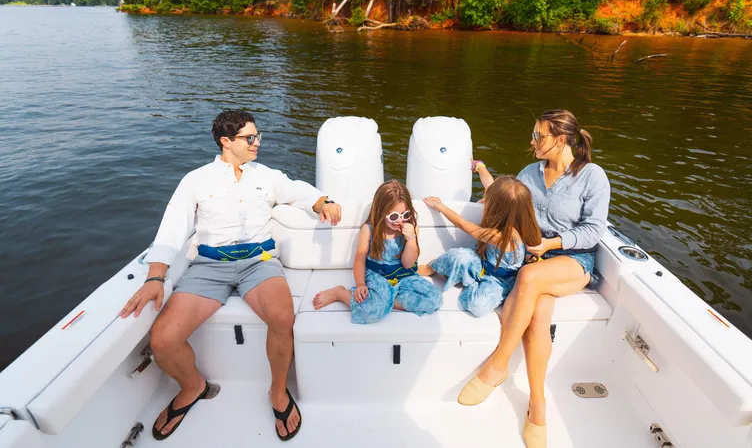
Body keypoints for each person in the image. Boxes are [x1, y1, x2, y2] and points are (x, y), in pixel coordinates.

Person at [120, 109, 342, 442]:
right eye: (250, 138)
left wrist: (323, 200)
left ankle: (278, 393)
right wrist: (155, 278)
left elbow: (297, 190)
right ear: (226, 141)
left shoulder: (266, 175)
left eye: (258, 136)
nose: (257, 143)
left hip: (259, 262)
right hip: (208, 268)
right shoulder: (196, 180)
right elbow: (171, 230)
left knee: (282, 317)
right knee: (163, 339)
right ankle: (193, 386)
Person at [464, 109, 610, 448]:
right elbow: (510, 200)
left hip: (572, 259)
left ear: (560, 139)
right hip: (535, 259)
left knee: (529, 275)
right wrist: (487, 198)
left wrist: (551, 243)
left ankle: (499, 364)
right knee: (538, 315)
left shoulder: (592, 177)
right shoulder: (530, 172)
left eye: (538, 136)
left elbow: (594, 230)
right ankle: (538, 406)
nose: (532, 142)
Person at [312, 180, 442, 323]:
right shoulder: (369, 230)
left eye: (405, 215)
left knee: (434, 299)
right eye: (393, 216)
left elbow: (407, 264)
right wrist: (360, 284)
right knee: (369, 312)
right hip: (378, 276)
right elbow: (360, 260)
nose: (399, 221)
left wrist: (411, 239)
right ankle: (340, 293)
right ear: (381, 212)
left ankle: (385, 302)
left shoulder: (411, 228)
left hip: (404, 275)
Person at [418, 176, 541, 318]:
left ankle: (472, 283)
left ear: (497, 208)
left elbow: (462, 224)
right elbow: (490, 184)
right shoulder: (525, 222)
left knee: (476, 306)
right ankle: (430, 268)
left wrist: (441, 207)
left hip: (499, 281)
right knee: (459, 256)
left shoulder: (503, 238)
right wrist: (479, 166)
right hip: (482, 263)